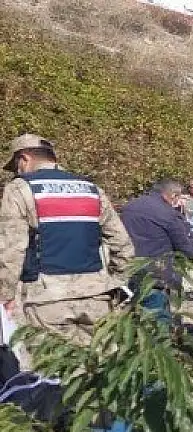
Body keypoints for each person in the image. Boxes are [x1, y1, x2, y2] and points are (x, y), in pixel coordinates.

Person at [0, 134, 134, 349]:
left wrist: (5, 296)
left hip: (47, 298)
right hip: (97, 296)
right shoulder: (91, 189)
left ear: (23, 159)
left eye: (15, 166)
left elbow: (11, 249)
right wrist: (116, 282)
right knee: (101, 368)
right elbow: (122, 244)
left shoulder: (19, 189)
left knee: (58, 372)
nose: (16, 172)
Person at [119, 179, 193, 325]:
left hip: (129, 270)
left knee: (134, 321)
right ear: (173, 196)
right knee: (158, 324)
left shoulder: (129, 207)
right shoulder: (168, 214)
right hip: (157, 275)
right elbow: (188, 250)